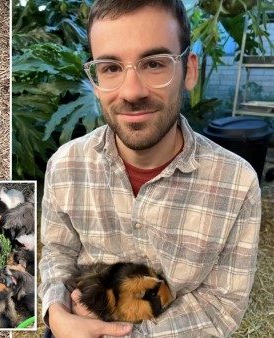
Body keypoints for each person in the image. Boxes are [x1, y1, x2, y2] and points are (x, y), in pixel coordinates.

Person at [39, 0, 262, 337]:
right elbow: (58, 252)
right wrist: (55, 313)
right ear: (96, 79)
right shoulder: (66, 166)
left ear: (188, 71)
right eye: (111, 68)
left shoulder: (236, 183)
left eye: (154, 63)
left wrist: (117, 333)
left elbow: (221, 308)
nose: (131, 92)